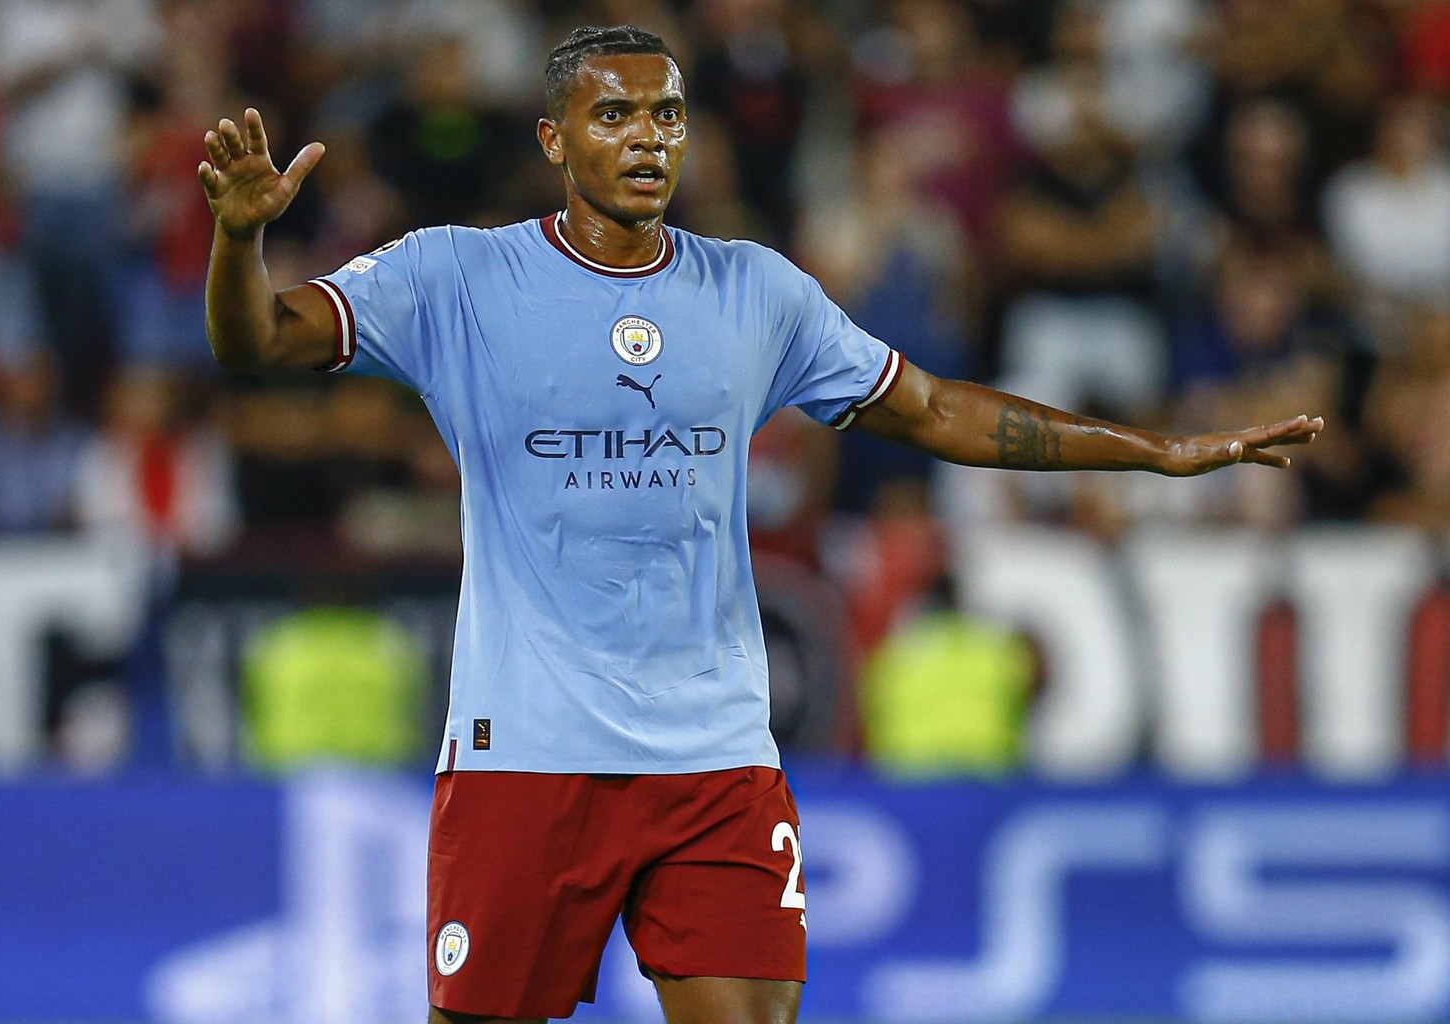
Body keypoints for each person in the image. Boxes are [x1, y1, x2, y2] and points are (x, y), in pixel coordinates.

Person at [198, 25, 1323, 1024]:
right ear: (555, 139)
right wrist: (239, 243)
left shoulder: (756, 292)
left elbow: (932, 408)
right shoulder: (458, 275)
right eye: (616, 114)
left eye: (669, 115)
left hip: (715, 756)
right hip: (526, 756)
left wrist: (1153, 451)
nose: (650, 138)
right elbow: (259, 343)